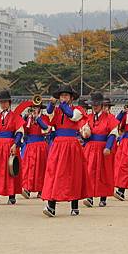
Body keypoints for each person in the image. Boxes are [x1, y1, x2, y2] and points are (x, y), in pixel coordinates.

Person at [41, 84, 88, 217]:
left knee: (72, 174)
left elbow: (72, 116)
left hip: (71, 144)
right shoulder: (57, 111)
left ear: (71, 98)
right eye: (61, 96)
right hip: (58, 144)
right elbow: (49, 117)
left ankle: (74, 205)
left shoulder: (78, 110)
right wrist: (51, 104)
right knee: (54, 173)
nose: (63, 98)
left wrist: (61, 105)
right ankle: (51, 206)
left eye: (66, 95)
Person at [80, 92, 119, 207]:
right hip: (90, 147)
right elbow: (83, 132)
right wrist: (84, 134)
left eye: (97, 104)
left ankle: (103, 197)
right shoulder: (88, 118)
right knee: (89, 172)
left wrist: (108, 147)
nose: (95, 107)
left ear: (102, 105)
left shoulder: (109, 118)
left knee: (104, 172)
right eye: (93, 105)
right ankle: (90, 197)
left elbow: (113, 133)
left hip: (103, 147)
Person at [17, 100, 49, 200]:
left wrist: (38, 118)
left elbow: (46, 128)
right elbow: (25, 131)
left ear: (40, 108)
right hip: (30, 145)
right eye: (33, 107)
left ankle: (41, 189)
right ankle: (27, 187)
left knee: (40, 167)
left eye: (37, 107)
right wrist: (26, 119)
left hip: (41, 144)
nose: (35, 109)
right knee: (28, 166)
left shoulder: (44, 118)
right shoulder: (28, 118)